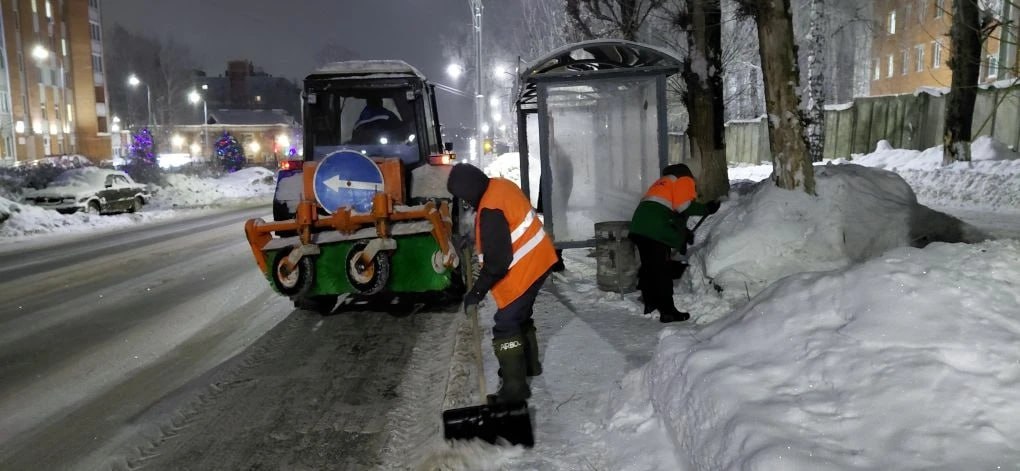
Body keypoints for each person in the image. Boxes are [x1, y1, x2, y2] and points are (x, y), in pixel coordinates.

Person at [447, 163, 558, 403]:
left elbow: (497, 262)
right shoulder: (499, 186)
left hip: (525, 268)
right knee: (520, 315)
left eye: (463, 196)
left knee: (506, 325)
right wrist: (472, 238)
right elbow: (503, 228)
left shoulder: (490, 209)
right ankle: (528, 365)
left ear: (469, 190)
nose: (465, 202)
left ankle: (514, 389)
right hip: (540, 258)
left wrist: (476, 293)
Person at [629, 163, 720, 323]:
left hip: (639, 226)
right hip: (654, 229)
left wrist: (682, 234)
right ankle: (668, 312)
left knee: (650, 267)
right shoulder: (684, 178)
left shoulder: (665, 180)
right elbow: (684, 206)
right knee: (662, 270)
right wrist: (706, 208)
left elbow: (670, 213)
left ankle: (650, 303)